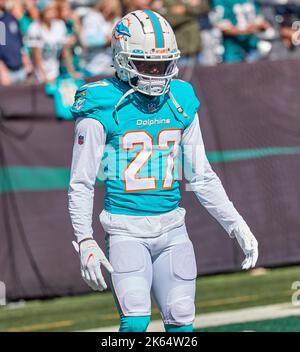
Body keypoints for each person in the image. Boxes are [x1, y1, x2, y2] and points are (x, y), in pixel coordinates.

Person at [68, 10, 258, 332]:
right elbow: (82, 182)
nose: (156, 72)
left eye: (163, 63)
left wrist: (235, 223)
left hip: (172, 229)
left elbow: (201, 175)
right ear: (122, 59)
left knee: (182, 319)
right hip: (126, 229)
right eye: (146, 64)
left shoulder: (180, 98)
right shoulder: (101, 104)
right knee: (136, 320)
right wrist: (85, 239)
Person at [27, 0, 67, 83]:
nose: (53, 12)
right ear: (42, 11)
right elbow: (37, 56)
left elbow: (65, 51)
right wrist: (44, 77)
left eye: (54, 9)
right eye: (50, 9)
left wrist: (71, 71)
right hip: (40, 76)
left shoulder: (60, 25)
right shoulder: (34, 27)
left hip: (56, 72)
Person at [80, 0, 121, 76]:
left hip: (112, 68)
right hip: (93, 67)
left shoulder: (117, 20)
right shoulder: (92, 17)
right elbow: (87, 41)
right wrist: (107, 40)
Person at [0, 0, 28, 85]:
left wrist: (26, 60)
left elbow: (20, 42)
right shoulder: (1, 23)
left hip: (21, 69)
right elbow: (2, 47)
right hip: (7, 72)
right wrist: (2, 69)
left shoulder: (11, 19)